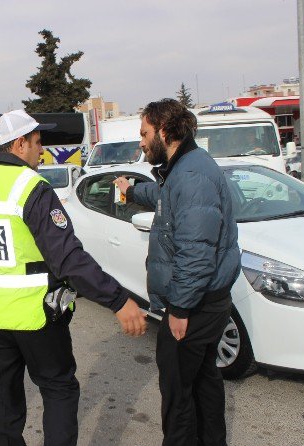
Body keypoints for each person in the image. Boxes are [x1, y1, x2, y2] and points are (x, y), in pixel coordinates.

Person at [0, 109, 147, 446]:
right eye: (38, 143)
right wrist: (117, 300)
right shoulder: (30, 188)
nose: (41, 151)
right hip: (35, 315)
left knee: (4, 394)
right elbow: (68, 258)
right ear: (20, 143)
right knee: (59, 389)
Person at [114, 99, 240, 446]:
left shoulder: (192, 175)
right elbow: (164, 194)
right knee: (203, 379)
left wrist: (181, 309)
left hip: (195, 306)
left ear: (165, 131)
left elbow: (196, 254)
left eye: (144, 133)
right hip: (206, 302)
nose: (140, 142)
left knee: (177, 391)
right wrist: (131, 190)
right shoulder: (185, 168)